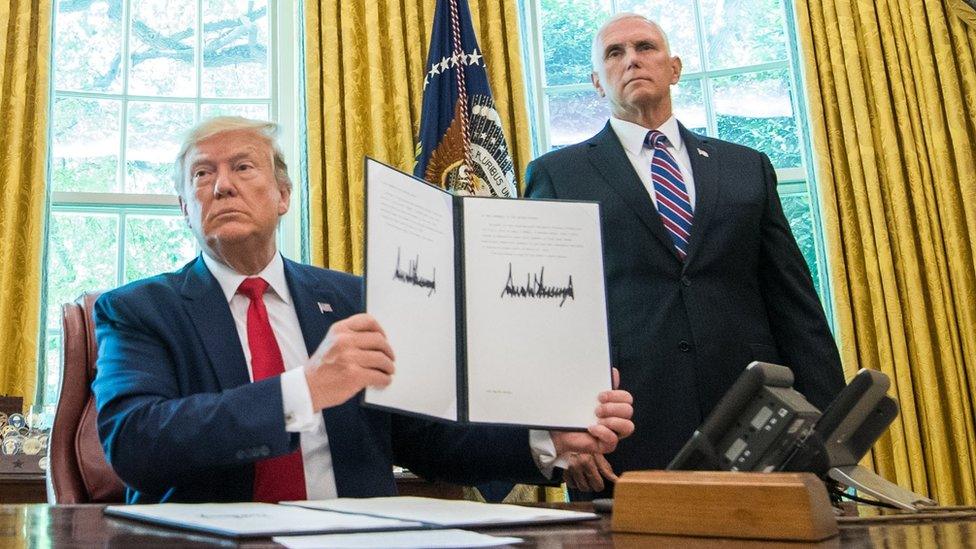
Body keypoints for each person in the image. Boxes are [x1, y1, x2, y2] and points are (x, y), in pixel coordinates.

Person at [92, 116, 634, 504]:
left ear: (283, 195)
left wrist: (548, 439)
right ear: (185, 206)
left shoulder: (355, 300)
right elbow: (134, 442)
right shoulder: (139, 310)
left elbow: (427, 438)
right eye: (203, 175)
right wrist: (305, 389)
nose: (224, 185)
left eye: (242, 167)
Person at [523, 14, 845, 498]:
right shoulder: (558, 175)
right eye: (614, 53)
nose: (631, 59)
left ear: (674, 68)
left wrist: (831, 429)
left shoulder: (746, 168)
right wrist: (562, 427)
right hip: (624, 431)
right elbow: (543, 316)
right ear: (596, 81)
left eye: (645, 47)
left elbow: (795, 305)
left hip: (756, 424)